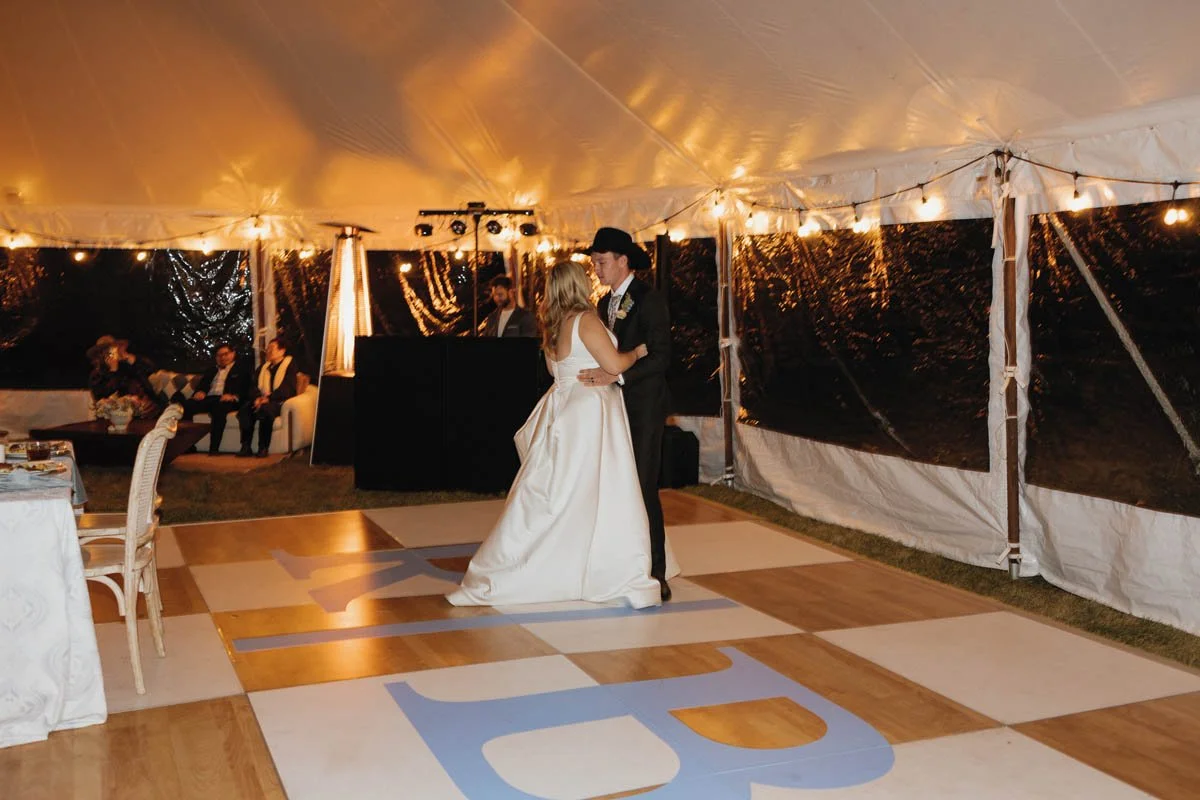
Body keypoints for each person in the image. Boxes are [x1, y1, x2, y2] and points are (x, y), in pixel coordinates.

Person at [447, 260, 667, 609]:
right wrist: (638, 351)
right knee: (595, 492)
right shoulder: (585, 319)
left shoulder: (552, 324)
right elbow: (613, 365)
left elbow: (558, 371)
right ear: (577, 285)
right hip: (588, 412)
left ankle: (557, 561)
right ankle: (594, 566)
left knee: (561, 495)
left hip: (563, 408)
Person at [577, 227, 674, 601]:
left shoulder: (650, 300)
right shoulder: (604, 305)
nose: (596, 269)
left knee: (644, 487)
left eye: (601, 262)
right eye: (594, 263)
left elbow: (662, 356)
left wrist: (618, 374)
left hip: (645, 408)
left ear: (622, 260)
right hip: (616, 408)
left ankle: (656, 572)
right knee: (619, 487)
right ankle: (622, 562)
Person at [178, 343, 251, 455]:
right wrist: (200, 392)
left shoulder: (242, 369)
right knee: (186, 406)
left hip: (227, 399)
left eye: (225, 354)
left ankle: (214, 448)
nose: (222, 358)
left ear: (233, 354)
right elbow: (201, 386)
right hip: (209, 398)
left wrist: (234, 396)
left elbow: (246, 388)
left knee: (219, 409)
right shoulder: (211, 370)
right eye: (218, 355)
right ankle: (189, 446)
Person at [237, 338, 298, 457]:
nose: (268, 351)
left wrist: (269, 398)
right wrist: (257, 398)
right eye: (267, 349)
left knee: (265, 410)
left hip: (279, 400)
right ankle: (246, 446)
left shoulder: (289, 365)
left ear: (282, 351)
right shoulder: (263, 368)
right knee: (245, 410)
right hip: (261, 400)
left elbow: (288, 387)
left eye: (272, 349)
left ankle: (263, 447)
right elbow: (253, 386)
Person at [86, 340, 160, 417]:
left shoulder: (126, 367)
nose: (113, 355)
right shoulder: (97, 374)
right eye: (109, 352)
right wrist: (114, 372)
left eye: (114, 350)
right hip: (113, 417)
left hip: (141, 413)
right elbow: (102, 397)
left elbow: (151, 371)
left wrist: (132, 359)